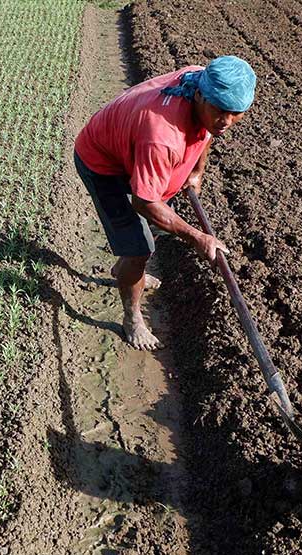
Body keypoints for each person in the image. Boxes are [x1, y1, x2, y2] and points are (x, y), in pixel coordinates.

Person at [74, 55, 256, 350]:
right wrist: (197, 236)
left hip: (129, 149)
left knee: (152, 229)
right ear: (199, 96)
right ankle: (132, 317)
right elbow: (145, 202)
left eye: (237, 113)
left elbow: (209, 131)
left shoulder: (202, 82)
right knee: (138, 247)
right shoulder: (162, 137)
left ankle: (128, 271)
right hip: (101, 163)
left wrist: (196, 171)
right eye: (220, 111)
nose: (227, 121)